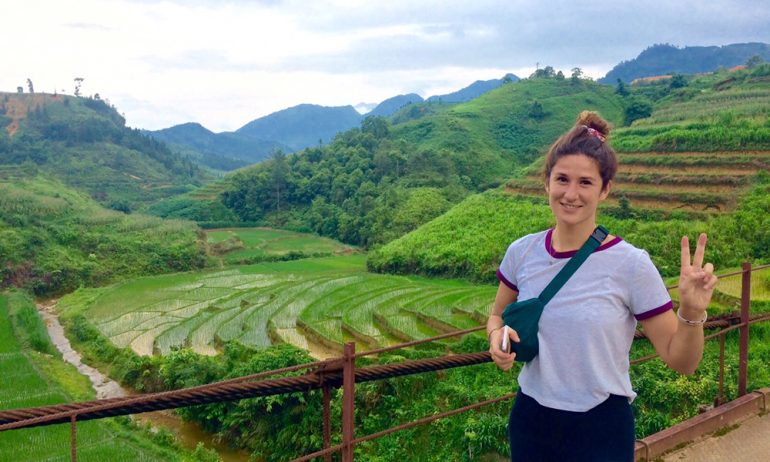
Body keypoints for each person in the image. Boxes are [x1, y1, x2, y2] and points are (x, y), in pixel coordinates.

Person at [486, 111, 717, 462]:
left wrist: (691, 310)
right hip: (532, 419)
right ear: (546, 182)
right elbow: (496, 315)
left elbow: (681, 360)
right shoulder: (523, 252)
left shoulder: (630, 263)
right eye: (562, 179)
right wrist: (495, 338)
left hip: (600, 427)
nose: (571, 194)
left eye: (586, 182)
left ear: (605, 189)